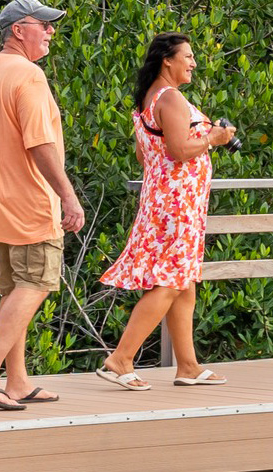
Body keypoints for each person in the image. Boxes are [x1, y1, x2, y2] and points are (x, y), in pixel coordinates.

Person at [0, 0, 88, 410]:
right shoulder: (28, 75)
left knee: (14, 288)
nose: (51, 31)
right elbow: (40, 143)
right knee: (37, 283)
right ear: (19, 30)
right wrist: (68, 196)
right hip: (30, 201)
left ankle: (17, 380)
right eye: (44, 25)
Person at [96, 33, 237, 390]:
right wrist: (214, 139)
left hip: (162, 199)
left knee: (184, 283)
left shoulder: (148, 100)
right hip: (178, 204)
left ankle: (187, 365)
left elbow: (147, 156)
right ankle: (121, 358)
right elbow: (177, 149)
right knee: (171, 281)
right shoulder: (171, 98)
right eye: (187, 56)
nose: (193, 62)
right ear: (167, 61)